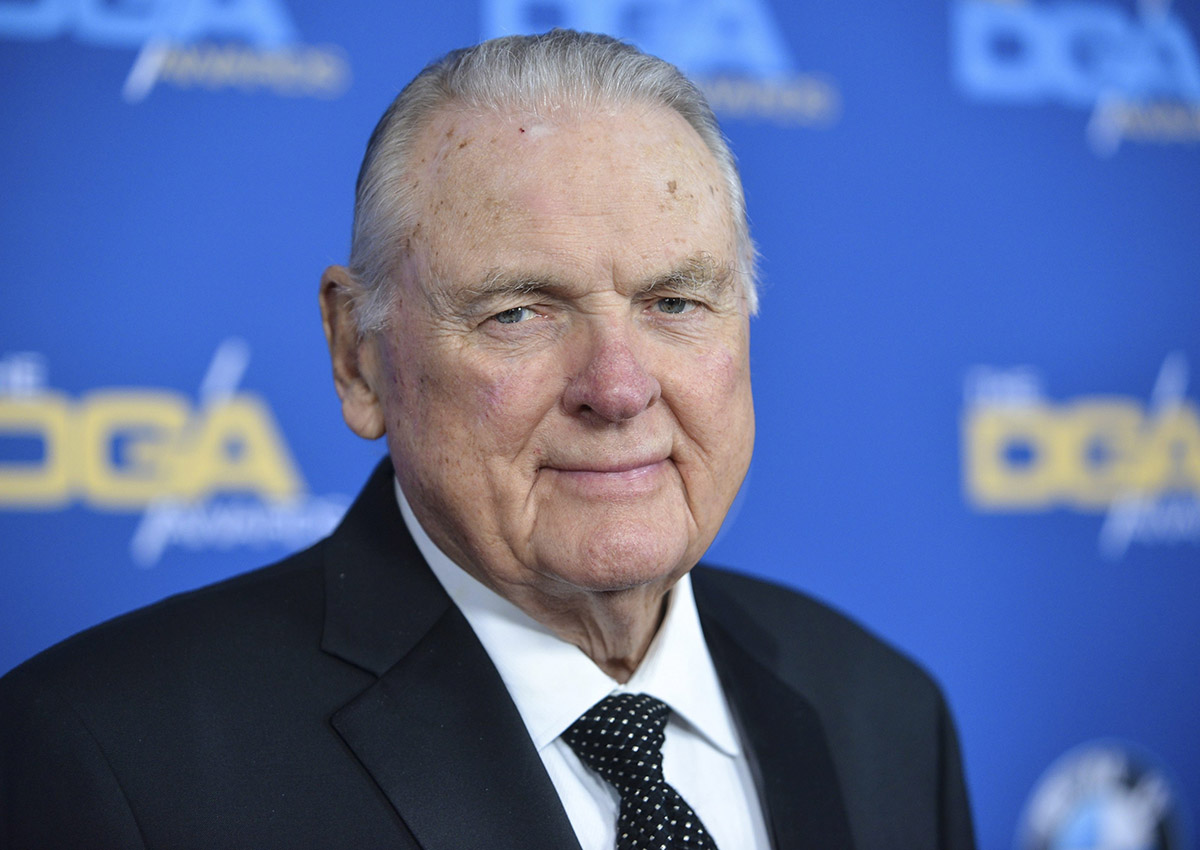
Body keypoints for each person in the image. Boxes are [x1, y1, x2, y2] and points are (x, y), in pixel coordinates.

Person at [0, 30, 975, 850]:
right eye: (519, 312)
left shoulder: (886, 716)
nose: (619, 386)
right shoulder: (110, 760)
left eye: (675, 301)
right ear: (359, 356)